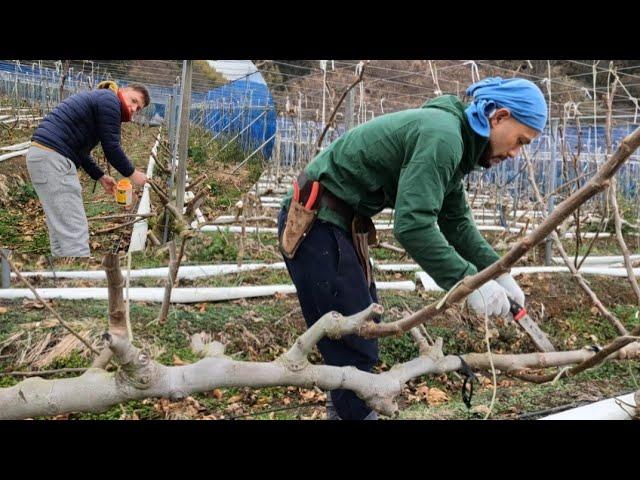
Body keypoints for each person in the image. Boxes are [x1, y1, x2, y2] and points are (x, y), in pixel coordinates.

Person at [277, 77, 548, 420]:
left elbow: (458, 224)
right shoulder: (444, 136)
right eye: (519, 141)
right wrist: (466, 282)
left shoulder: (455, 140)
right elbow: (413, 224)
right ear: (499, 117)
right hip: (319, 222)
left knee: (358, 332)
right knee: (353, 344)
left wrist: (498, 273)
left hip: (339, 225)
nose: (514, 153)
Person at [25, 81, 150, 256]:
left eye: (138, 109)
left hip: (46, 157)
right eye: (134, 100)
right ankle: (79, 279)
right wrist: (133, 174)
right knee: (75, 233)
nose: (133, 108)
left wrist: (100, 176)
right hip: (53, 159)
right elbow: (112, 147)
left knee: (61, 233)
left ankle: (62, 277)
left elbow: (81, 151)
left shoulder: (102, 101)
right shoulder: (110, 100)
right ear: (123, 90)